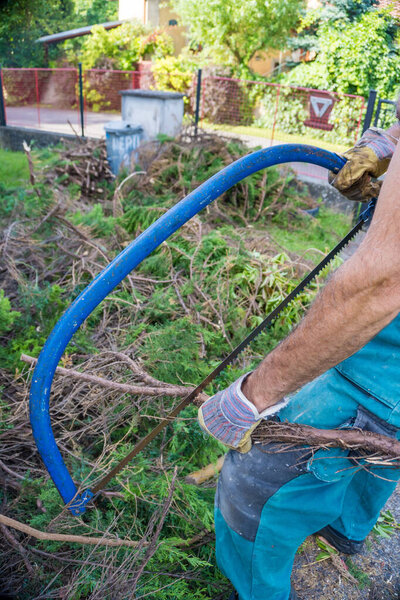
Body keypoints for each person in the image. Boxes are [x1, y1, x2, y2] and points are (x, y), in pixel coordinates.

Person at [198, 114, 400, 600]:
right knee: (375, 454)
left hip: (380, 375)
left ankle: (255, 589)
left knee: (252, 482)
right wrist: (388, 143)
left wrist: (252, 397)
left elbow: (379, 283)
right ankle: (344, 528)